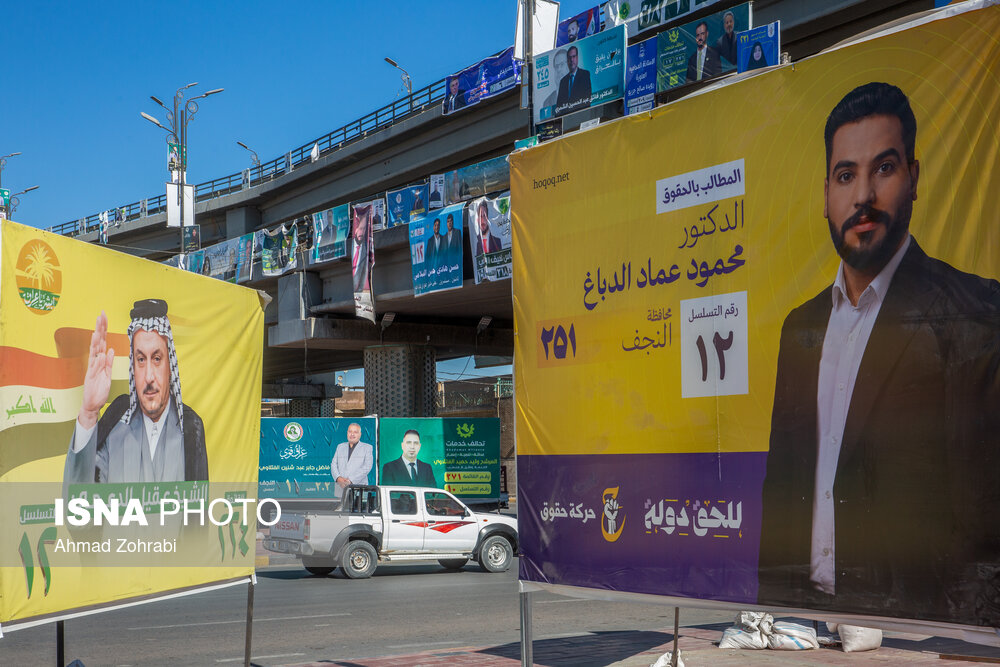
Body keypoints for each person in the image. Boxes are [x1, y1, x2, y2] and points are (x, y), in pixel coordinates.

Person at [758, 82, 1000, 624]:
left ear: (913, 177)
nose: (862, 195)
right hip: (804, 627)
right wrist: (769, 624)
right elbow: (782, 497)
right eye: (846, 175)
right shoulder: (800, 330)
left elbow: (984, 528)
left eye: (883, 168)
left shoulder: (975, 315)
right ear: (826, 194)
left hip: (911, 635)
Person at [63, 300, 208, 487]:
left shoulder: (190, 428)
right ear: (133, 368)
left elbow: (198, 511)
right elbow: (78, 505)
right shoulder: (117, 421)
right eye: (140, 359)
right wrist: (89, 413)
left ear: (170, 367)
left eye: (157, 359)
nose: (148, 377)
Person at [330, 422, 373, 500]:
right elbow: (333, 464)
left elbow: (367, 467)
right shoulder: (340, 446)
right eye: (350, 431)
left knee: (359, 510)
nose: (352, 434)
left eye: (355, 432)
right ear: (347, 433)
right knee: (340, 510)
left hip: (359, 487)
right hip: (340, 487)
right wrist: (338, 478)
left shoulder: (367, 447)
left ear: (360, 434)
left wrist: (350, 481)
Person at [555, 46, 592, 112]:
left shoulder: (585, 75)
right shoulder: (563, 81)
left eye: (574, 56)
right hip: (567, 118)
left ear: (577, 58)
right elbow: (559, 107)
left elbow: (587, 99)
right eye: (569, 58)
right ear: (567, 60)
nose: (572, 60)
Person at [351, 204, 372, 292]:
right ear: (355, 229)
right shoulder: (351, 245)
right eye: (360, 228)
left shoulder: (366, 250)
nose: (362, 232)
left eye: (364, 229)